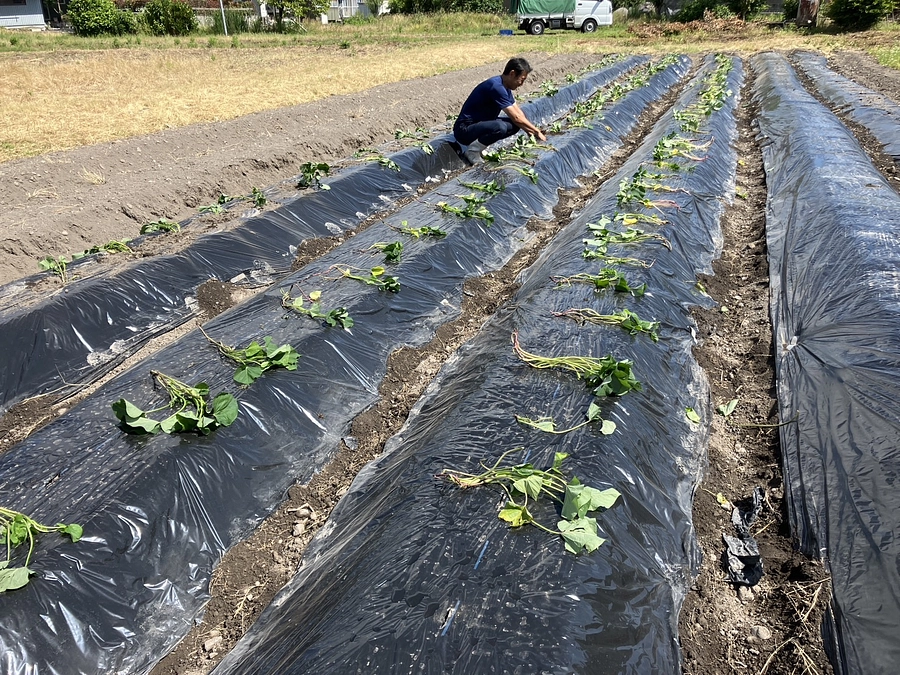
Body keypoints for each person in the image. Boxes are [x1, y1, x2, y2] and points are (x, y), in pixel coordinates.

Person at [453, 57, 547, 165]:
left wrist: (529, 131)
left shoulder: (505, 87)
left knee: (515, 125)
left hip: (479, 125)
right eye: (522, 79)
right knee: (500, 127)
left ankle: (480, 146)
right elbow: (516, 117)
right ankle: (472, 151)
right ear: (512, 73)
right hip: (464, 130)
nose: (521, 83)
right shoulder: (496, 87)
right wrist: (537, 132)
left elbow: (518, 113)